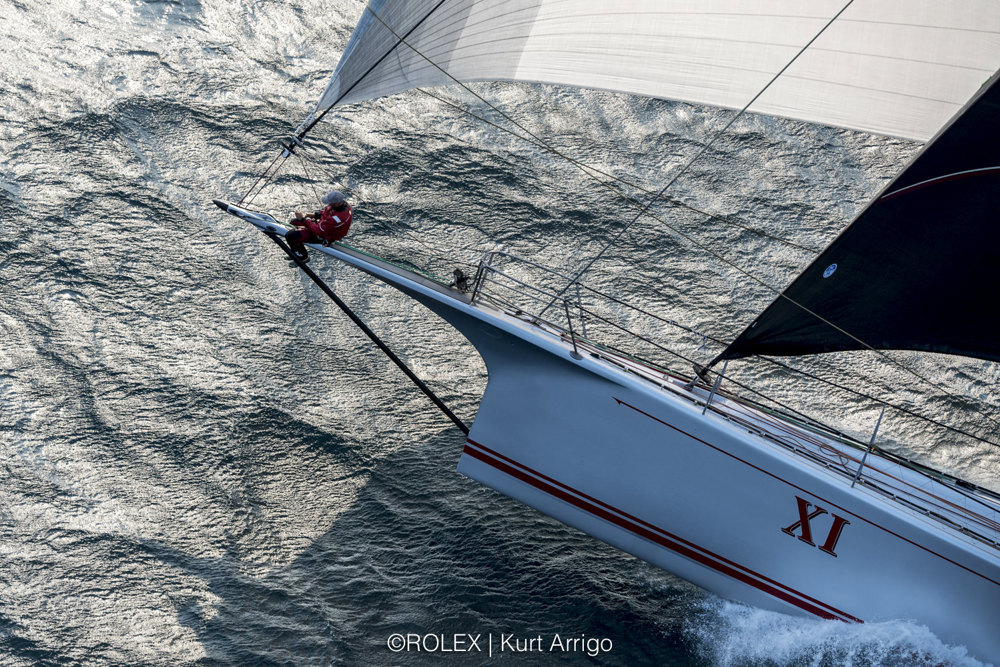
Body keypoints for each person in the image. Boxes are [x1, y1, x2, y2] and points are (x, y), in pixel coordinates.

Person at [286, 190, 353, 262]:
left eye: (330, 202)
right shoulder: (341, 205)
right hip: (323, 226)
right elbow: (327, 213)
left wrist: (303, 219)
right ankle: (296, 248)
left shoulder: (337, 218)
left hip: (325, 235)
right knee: (294, 222)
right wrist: (315, 215)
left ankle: (302, 256)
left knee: (291, 235)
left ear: (336, 203)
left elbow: (318, 231)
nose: (329, 204)